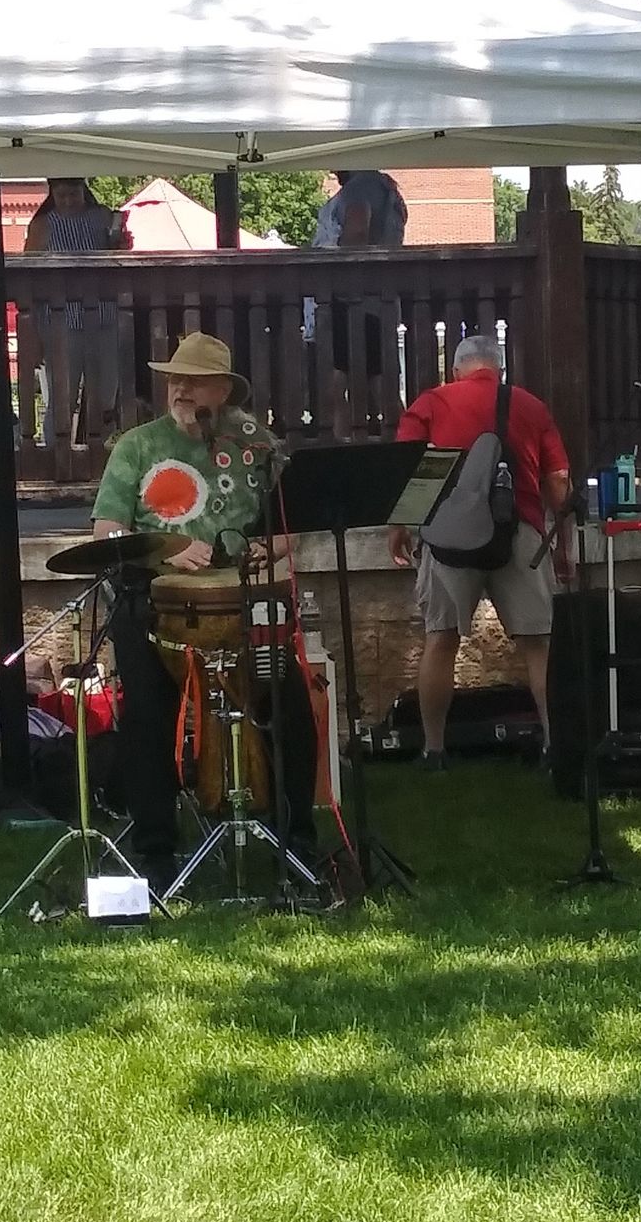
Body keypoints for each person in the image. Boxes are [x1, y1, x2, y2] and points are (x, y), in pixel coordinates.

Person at [91, 331, 318, 890]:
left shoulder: (254, 443)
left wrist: (276, 545)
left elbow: (296, 522)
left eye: (194, 380)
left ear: (224, 390)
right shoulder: (138, 446)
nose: (182, 389)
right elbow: (105, 531)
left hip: (243, 604)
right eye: (176, 379)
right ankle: (156, 850)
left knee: (289, 707)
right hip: (155, 602)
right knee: (149, 718)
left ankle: (300, 838)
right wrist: (167, 547)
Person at [388, 333, 571, 767]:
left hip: (450, 537)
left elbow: (405, 469)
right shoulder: (530, 405)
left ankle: (434, 749)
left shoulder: (431, 402)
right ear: (501, 370)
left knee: (440, 640)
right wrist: (562, 544)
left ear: (456, 371)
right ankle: (554, 745)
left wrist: (399, 526)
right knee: (538, 646)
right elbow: (559, 481)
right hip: (522, 534)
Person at [24, 177, 130, 446]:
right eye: (62, 196)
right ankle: (54, 456)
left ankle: (103, 455)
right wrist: (32, 331)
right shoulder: (42, 226)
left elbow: (119, 259)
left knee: (105, 397)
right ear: (52, 195)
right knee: (62, 398)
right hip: (60, 323)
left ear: (84, 191)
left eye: (74, 194)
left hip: (104, 317)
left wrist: (122, 245)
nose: (69, 201)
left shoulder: (103, 217)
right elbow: (28, 278)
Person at [307, 169, 407, 435]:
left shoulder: (360, 186)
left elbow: (357, 230)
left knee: (337, 382)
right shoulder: (385, 189)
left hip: (349, 298)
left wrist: (328, 256)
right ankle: (406, 443)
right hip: (376, 299)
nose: (331, 169)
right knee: (381, 381)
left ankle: (340, 445)